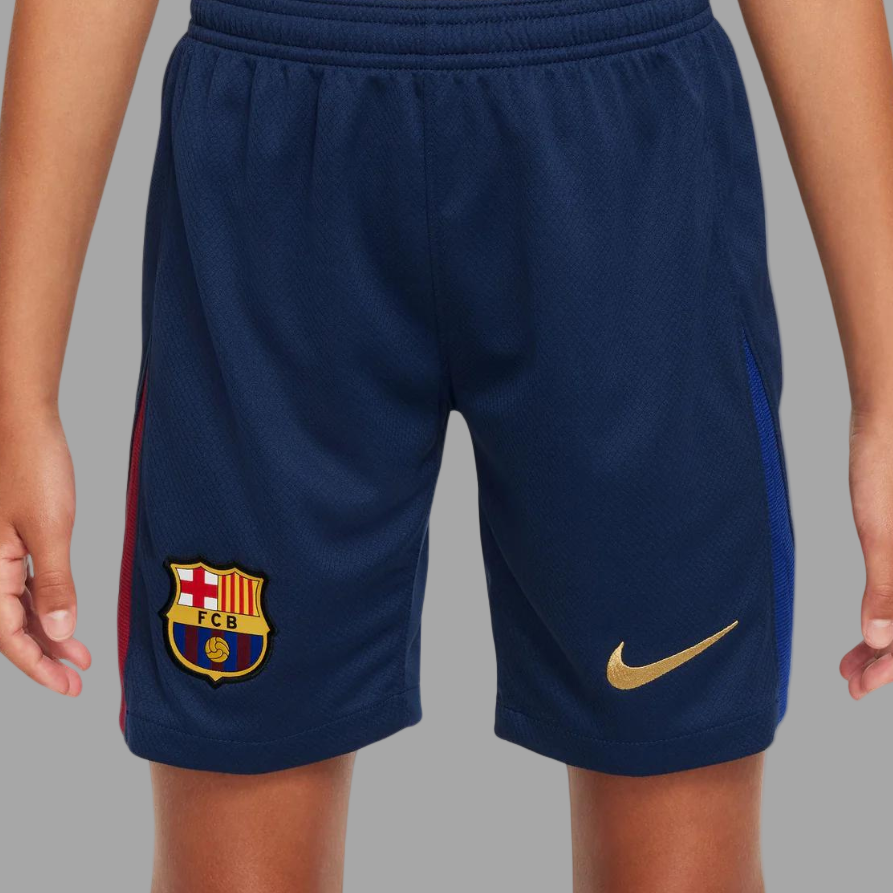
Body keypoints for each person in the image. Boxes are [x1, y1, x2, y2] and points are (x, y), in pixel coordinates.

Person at [2, 0, 893, 890]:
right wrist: (15, 394)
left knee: (680, 863)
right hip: (271, 159)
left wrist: (887, 398)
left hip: (622, 154)